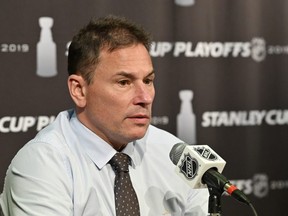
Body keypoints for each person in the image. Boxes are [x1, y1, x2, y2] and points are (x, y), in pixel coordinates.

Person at [0, 15, 208, 215]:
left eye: (148, 80)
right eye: (124, 82)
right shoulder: (42, 163)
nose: (145, 97)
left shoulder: (176, 155)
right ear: (79, 90)